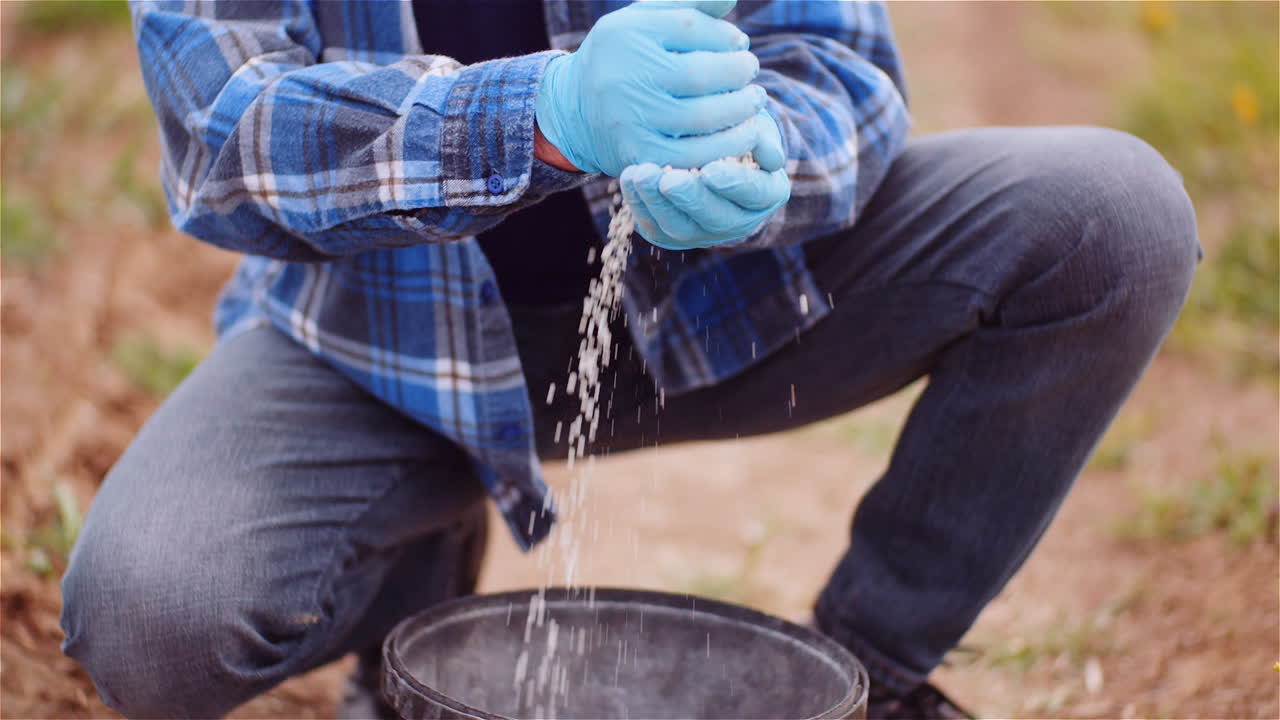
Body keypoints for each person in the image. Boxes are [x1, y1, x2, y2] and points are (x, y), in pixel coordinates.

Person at [61, 1, 1199, 718]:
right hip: (385, 351)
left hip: (716, 300)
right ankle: (405, 621)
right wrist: (542, 116)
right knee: (150, 615)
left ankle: (871, 675)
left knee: (1109, 216)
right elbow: (224, 133)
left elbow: (837, 60)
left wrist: (769, 151)